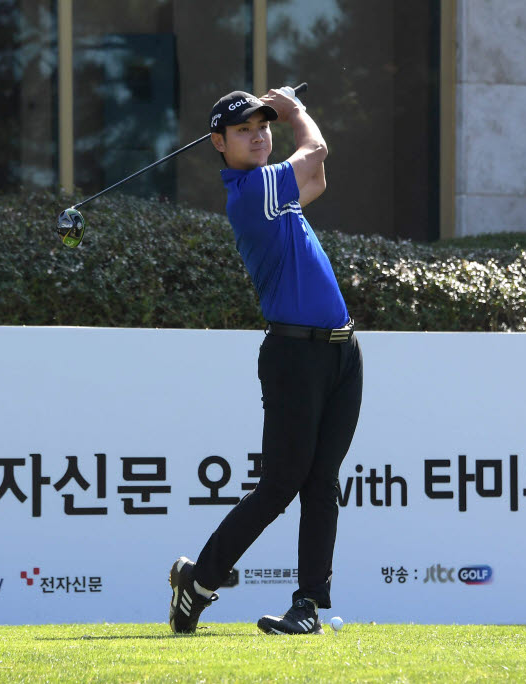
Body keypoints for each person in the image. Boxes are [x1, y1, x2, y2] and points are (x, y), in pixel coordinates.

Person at [168, 87, 363, 636]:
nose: (258, 134)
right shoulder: (252, 190)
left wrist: (285, 118)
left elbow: (315, 182)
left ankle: (307, 607)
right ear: (218, 144)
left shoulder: (275, 191)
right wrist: (294, 108)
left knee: (321, 481)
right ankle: (200, 580)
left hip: (342, 351)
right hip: (293, 354)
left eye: (264, 125)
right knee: (281, 484)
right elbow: (317, 154)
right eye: (244, 130)